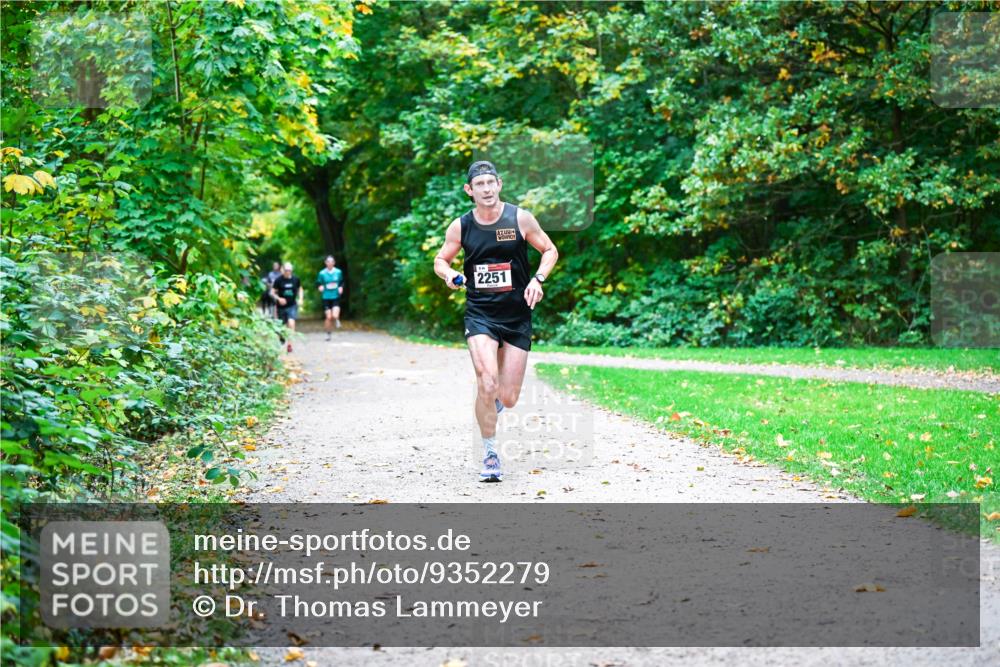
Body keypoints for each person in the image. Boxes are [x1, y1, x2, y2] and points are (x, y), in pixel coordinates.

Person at [433, 161, 558, 482]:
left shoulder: (519, 218)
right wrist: (449, 274)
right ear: (469, 190)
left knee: (509, 397)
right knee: (486, 381)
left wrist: (538, 279)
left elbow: (550, 250)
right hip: (480, 313)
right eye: (480, 185)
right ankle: (490, 455)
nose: (486, 189)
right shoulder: (461, 226)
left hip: (516, 315)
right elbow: (440, 259)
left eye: (491, 183)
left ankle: (492, 403)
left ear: (499, 184)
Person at [270, 262, 303, 353]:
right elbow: (272, 292)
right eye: (286, 270)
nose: (288, 272)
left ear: (291, 270)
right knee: (281, 326)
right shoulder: (278, 280)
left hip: (292, 305)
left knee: (291, 323)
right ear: (283, 270)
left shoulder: (296, 279)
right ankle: (281, 337)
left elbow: (300, 289)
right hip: (281, 307)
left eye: (289, 270)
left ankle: (290, 345)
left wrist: (300, 299)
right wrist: (278, 298)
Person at [316, 255, 344, 340]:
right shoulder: (322, 273)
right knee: (328, 317)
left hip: (335, 296)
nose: (330, 263)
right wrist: (320, 287)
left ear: (334, 263)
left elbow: (341, 282)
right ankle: (328, 334)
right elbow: (318, 283)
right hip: (326, 297)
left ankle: (337, 320)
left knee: (334, 316)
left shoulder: (338, 272)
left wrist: (341, 287)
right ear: (325, 263)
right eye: (328, 261)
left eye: (332, 261)